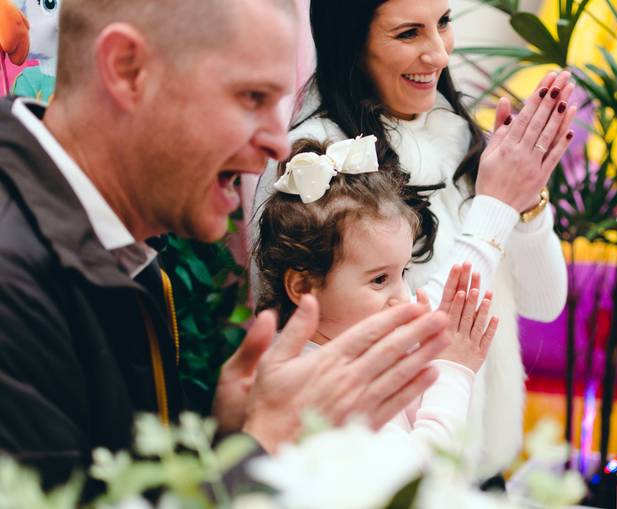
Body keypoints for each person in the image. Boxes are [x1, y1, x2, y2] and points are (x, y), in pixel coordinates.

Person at [0, 0, 453, 491]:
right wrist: (265, 443)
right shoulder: (12, 278)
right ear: (127, 70)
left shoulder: (115, 247)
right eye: (250, 98)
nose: (279, 146)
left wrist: (229, 436)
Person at [251, 0, 572, 475]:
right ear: (352, 43)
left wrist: (525, 201)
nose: (439, 54)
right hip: (401, 473)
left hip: (481, 470)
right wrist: (495, 206)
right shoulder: (314, 163)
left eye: (443, 23)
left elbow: (545, 304)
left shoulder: (456, 132)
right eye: (408, 33)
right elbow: (395, 330)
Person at [254, 136, 498, 449]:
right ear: (303, 287)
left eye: (404, 272)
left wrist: (423, 360)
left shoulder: (346, 357)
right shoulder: (321, 388)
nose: (403, 297)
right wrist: (453, 371)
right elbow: (419, 483)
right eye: (380, 280)